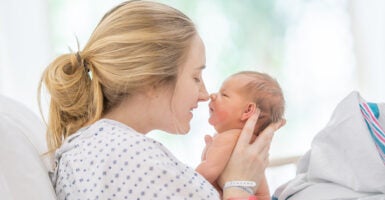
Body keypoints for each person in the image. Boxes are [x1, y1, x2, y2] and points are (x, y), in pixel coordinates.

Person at [38, 1, 285, 199]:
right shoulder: (129, 158)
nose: (203, 94)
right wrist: (239, 185)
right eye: (196, 77)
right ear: (153, 80)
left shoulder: (98, 148)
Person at [196, 71, 285, 199]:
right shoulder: (246, 141)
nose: (213, 95)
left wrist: (182, 183)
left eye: (224, 95)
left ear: (248, 110)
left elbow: (207, 172)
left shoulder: (229, 138)